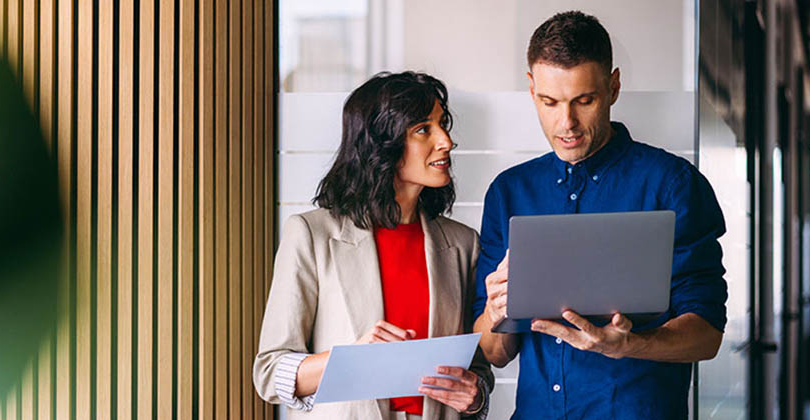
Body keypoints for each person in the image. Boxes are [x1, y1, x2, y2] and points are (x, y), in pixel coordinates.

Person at [472, 11, 728, 420]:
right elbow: (494, 353)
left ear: (613, 87)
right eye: (549, 102)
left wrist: (630, 345)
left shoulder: (672, 184)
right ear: (531, 88)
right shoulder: (509, 192)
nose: (566, 123)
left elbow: (707, 336)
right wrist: (495, 312)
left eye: (584, 101)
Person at [254, 71, 494, 420]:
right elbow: (271, 373)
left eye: (443, 125)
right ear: (382, 144)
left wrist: (475, 397)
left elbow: (476, 370)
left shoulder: (462, 243)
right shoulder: (310, 233)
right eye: (423, 129)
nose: (446, 141)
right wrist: (351, 361)